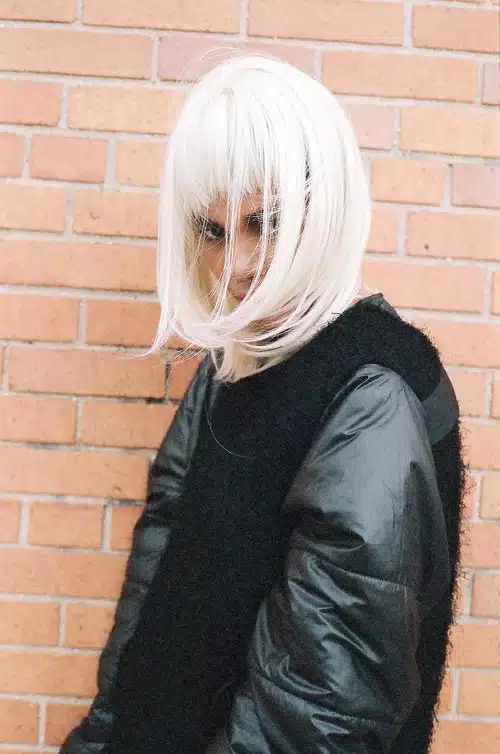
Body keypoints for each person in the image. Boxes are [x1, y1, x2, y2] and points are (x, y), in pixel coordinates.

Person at [61, 55, 467, 754]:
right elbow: (153, 603)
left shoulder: (370, 394)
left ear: (323, 210)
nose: (237, 266)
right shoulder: (235, 362)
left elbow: (318, 717)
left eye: (265, 224)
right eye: (214, 232)